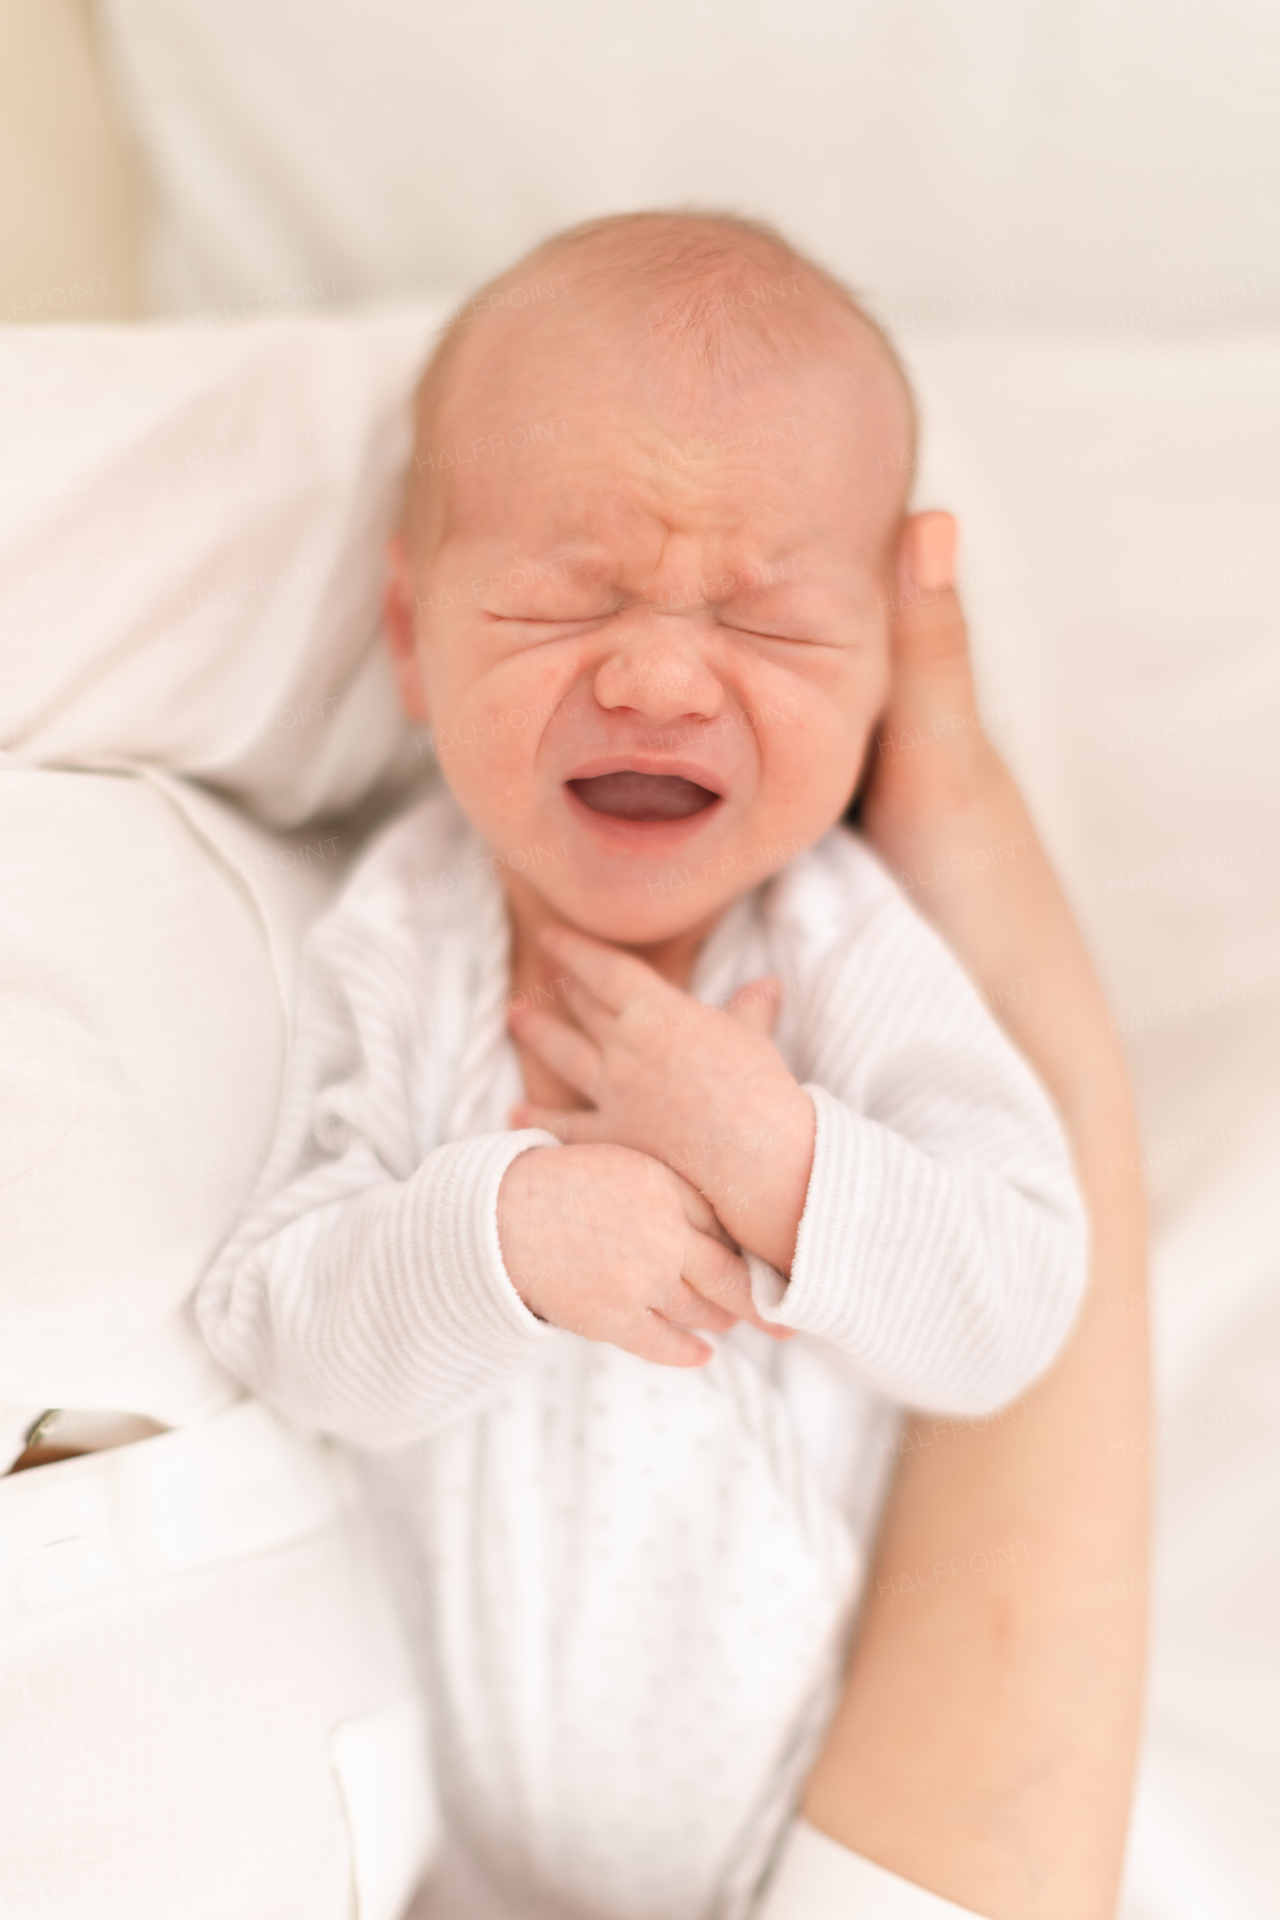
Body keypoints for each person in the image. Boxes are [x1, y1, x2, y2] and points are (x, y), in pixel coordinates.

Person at [199, 212, 1145, 1919]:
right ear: (414, 639)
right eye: (566, 602)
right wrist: (505, 1243)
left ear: (877, 687)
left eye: (772, 630)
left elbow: (1013, 1310)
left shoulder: (847, 955)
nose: (654, 676)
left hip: (796, 1827)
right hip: (445, 1857)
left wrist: (776, 1149)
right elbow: (285, 1328)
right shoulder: (404, 942)